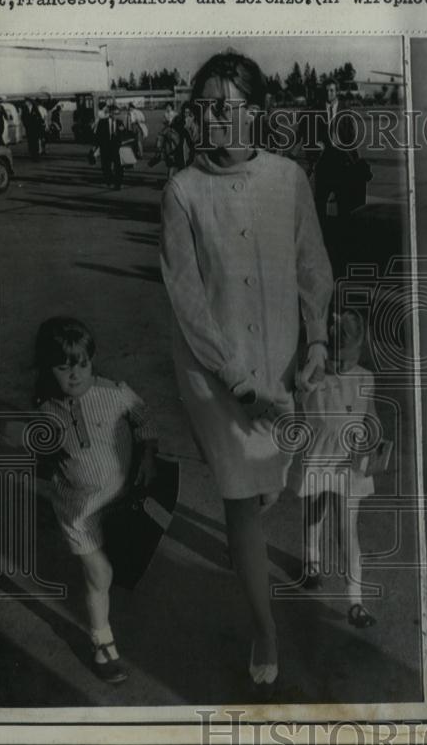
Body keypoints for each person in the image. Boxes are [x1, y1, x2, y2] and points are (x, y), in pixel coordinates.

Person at [160, 50, 332, 686]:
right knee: (240, 494)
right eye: (204, 107)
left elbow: (312, 265)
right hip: (214, 373)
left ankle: (249, 534)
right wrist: (236, 382)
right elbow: (187, 301)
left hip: (281, 360)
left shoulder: (289, 179)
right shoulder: (182, 192)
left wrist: (317, 344)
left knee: (267, 485)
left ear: (257, 112)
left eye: (226, 107)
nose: (213, 118)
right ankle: (265, 629)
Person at [33, 317, 158, 685]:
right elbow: (43, 451)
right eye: (62, 367)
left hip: (120, 499)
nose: (74, 375)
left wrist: (148, 457)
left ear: (92, 361)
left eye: (82, 365)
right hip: (77, 511)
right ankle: (103, 644)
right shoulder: (44, 407)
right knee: (101, 574)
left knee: (120, 562)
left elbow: (144, 419)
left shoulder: (115, 393)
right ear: (47, 368)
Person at [298, 309, 379, 628]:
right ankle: (311, 560)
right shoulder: (314, 376)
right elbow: (297, 398)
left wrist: (372, 439)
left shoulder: (364, 378)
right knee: (314, 510)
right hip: (319, 455)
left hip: (350, 462)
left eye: (350, 358)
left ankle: (355, 601)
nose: (343, 365)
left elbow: (371, 416)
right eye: (337, 359)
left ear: (360, 351)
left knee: (347, 529)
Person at [311, 78, 369, 276]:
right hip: (324, 161)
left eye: (332, 90)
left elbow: (350, 136)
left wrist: (354, 159)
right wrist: (316, 144)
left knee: (344, 203)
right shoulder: (318, 110)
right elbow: (312, 132)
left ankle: (344, 244)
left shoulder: (345, 109)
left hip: (341, 162)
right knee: (319, 201)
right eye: (327, 90)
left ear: (336, 92)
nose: (329, 93)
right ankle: (320, 241)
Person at [94, 105, 123, 189]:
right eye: (115, 113)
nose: (116, 115)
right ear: (110, 113)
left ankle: (118, 183)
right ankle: (109, 179)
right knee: (106, 166)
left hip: (116, 148)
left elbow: (123, 134)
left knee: (118, 166)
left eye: (118, 114)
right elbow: (98, 135)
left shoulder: (120, 122)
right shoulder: (102, 122)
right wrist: (96, 147)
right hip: (105, 147)